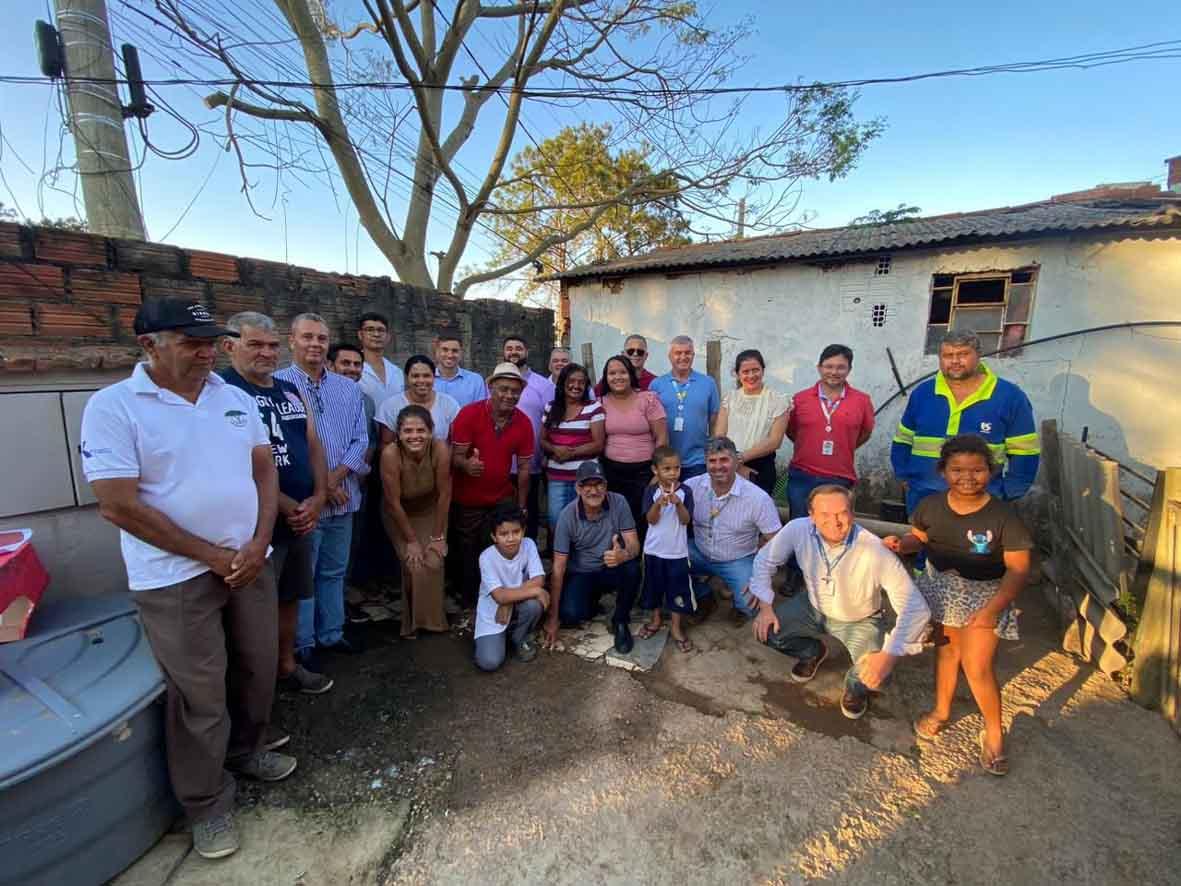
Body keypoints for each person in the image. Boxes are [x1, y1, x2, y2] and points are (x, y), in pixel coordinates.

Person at [80, 298, 292, 860]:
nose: (207, 352)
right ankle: (206, 804)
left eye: (210, 342)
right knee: (199, 692)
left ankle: (247, 751)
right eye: (191, 343)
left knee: (257, 664)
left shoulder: (232, 397)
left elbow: (263, 471)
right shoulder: (114, 407)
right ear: (149, 345)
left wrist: (257, 541)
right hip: (173, 575)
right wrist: (213, 556)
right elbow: (118, 506)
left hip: (248, 561)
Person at [883, 435, 1033, 775]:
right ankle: (941, 710)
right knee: (947, 652)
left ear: (991, 472)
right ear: (943, 471)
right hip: (942, 588)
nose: (968, 477)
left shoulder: (1003, 517)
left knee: (977, 667)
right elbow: (919, 539)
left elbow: (1019, 568)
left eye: (977, 470)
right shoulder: (932, 506)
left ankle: (994, 732)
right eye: (957, 470)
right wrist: (900, 545)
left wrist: (993, 609)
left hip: (986, 595)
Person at [221, 312, 333, 696]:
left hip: (300, 518)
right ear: (229, 345)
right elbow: (235, 464)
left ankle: (287, 665)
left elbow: (313, 444)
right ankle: (257, 694)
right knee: (253, 615)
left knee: (290, 598)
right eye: (254, 344)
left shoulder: (287, 391)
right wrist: (289, 505)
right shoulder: (222, 392)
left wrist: (318, 497)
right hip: (257, 527)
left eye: (271, 345)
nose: (266, 353)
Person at [749, 485, 931, 721]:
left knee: (876, 676)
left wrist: (888, 656)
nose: (834, 522)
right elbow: (765, 560)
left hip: (861, 618)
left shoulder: (874, 549)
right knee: (767, 631)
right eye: (824, 514)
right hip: (813, 606)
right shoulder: (797, 529)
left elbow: (915, 607)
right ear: (811, 516)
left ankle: (855, 690)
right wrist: (765, 607)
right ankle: (812, 652)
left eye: (842, 513)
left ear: (852, 515)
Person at [276, 313, 370, 663]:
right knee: (303, 577)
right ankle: (303, 645)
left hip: (344, 499)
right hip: (303, 504)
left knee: (333, 572)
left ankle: (332, 633)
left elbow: (361, 439)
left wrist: (332, 480)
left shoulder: (348, 388)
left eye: (321, 338)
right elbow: (281, 449)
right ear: (292, 340)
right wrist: (321, 488)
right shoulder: (277, 386)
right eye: (307, 337)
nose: (315, 344)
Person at [891, 330, 1040, 516]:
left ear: (978, 356)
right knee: (920, 544)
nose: (954, 361)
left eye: (963, 354)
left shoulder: (1009, 397)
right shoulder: (924, 393)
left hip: (982, 503)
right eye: (948, 355)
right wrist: (904, 477)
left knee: (976, 546)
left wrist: (1008, 492)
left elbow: (1025, 452)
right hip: (924, 499)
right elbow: (902, 440)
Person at [449, 362, 535, 606]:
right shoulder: (469, 414)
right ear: (491, 387)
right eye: (503, 389)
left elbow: (525, 468)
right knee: (468, 551)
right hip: (468, 499)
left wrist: (521, 506)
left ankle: (499, 596)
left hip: (501, 497)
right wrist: (467, 465)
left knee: (501, 550)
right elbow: (455, 456)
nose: (509, 395)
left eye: (515, 391)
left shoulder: (524, 422)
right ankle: (469, 600)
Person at [545, 460, 643, 653]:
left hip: (610, 566)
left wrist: (622, 555)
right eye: (586, 485)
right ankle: (591, 602)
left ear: (606, 486)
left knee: (632, 568)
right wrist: (552, 618)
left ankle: (621, 620)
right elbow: (558, 568)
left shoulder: (619, 502)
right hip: (582, 572)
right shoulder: (567, 516)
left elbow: (634, 544)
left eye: (598, 484)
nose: (593, 491)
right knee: (571, 614)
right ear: (577, 488)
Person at [685, 436, 782, 622]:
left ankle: (739, 603)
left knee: (749, 606)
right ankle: (704, 596)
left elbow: (776, 540)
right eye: (712, 461)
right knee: (666, 563)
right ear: (705, 462)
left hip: (737, 559)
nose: (718, 466)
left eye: (724, 460)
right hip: (699, 551)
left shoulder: (757, 498)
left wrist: (759, 574)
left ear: (737, 461)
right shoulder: (692, 486)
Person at [380, 404, 451, 639]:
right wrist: (410, 540)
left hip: (432, 510)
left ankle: (433, 621)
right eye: (407, 431)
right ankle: (411, 624)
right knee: (413, 563)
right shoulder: (390, 454)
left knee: (433, 560)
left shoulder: (440, 449)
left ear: (431, 431)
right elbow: (392, 502)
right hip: (400, 513)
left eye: (420, 430)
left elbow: (444, 495)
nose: (414, 436)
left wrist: (438, 537)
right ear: (398, 434)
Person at [786, 344, 875, 519]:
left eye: (841, 367)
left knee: (834, 530)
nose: (834, 372)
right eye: (829, 366)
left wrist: (844, 445)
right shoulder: (800, 399)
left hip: (839, 477)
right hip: (802, 476)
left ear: (849, 369)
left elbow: (865, 432)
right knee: (800, 528)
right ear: (819, 368)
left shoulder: (862, 401)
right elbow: (791, 431)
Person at [597, 354, 668, 540]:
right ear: (606, 377)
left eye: (622, 372)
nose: (617, 377)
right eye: (612, 373)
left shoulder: (648, 399)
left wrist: (657, 473)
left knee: (642, 518)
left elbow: (662, 438)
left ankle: (642, 562)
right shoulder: (600, 402)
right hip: (611, 471)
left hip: (644, 472)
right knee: (615, 518)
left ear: (631, 375)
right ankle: (620, 559)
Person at [473, 503, 550, 671]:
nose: (511, 538)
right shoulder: (486, 557)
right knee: (489, 662)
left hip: (514, 604)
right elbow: (499, 596)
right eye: (503, 534)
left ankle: (518, 638)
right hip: (493, 611)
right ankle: (502, 636)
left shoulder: (528, 545)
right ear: (494, 536)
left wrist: (508, 601)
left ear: (523, 531)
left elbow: (539, 579)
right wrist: (534, 591)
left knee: (533, 606)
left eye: (516, 532)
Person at [636, 447, 696, 653]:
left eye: (676, 468)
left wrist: (679, 504)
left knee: (677, 590)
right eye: (667, 468)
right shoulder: (651, 492)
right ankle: (655, 620)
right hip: (653, 550)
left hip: (677, 552)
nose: (673, 473)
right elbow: (650, 520)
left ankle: (676, 627)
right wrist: (658, 505)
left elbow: (686, 521)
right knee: (653, 587)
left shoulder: (685, 491)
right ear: (655, 470)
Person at [540, 362, 605, 539]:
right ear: (562, 383)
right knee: (556, 521)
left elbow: (598, 444)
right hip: (557, 476)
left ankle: (580, 564)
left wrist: (570, 452)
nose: (576, 386)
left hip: (586, 478)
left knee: (584, 522)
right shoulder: (551, 407)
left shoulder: (594, 408)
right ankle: (560, 561)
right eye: (571, 381)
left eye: (581, 382)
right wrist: (554, 449)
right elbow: (543, 440)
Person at [713, 348, 790, 496]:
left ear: (763, 370)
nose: (751, 375)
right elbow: (720, 437)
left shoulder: (778, 400)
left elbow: (775, 441)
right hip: (728, 465)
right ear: (737, 374)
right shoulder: (730, 399)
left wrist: (740, 459)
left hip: (760, 467)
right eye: (745, 372)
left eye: (756, 370)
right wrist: (735, 465)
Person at [502, 334, 555, 541]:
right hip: (501, 463)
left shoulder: (542, 385)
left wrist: (546, 452)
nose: (513, 352)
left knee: (529, 514)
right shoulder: (495, 383)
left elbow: (551, 421)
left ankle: (529, 555)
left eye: (518, 348)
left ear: (526, 352)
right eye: (509, 348)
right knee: (503, 515)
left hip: (531, 462)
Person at [651, 335, 720, 480]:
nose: (683, 357)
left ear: (693, 355)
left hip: (698, 460)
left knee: (696, 501)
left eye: (688, 353)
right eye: (678, 353)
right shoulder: (656, 385)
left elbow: (714, 422)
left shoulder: (708, 383)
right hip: (666, 461)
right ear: (670, 356)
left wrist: (712, 454)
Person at [376, 354, 461, 446]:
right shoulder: (390, 406)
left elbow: (454, 443)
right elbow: (387, 445)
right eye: (415, 376)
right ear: (406, 377)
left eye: (426, 376)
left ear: (434, 377)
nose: (421, 380)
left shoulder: (449, 404)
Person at [356, 311, 404, 407]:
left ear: (388, 337)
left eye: (381, 330)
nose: (376, 334)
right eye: (370, 329)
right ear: (360, 335)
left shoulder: (397, 372)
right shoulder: (352, 368)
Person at [433, 332, 487, 408]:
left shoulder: (475, 381)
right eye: (445, 350)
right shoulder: (426, 380)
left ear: (461, 353)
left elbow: (480, 412)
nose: (450, 355)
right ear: (437, 351)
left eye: (454, 351)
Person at [593, 333, 657, 396]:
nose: (635, 354)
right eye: (630, 351)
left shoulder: (655, 382)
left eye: (640, 352)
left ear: (646, 356)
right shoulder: (611, 380)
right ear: (623, 354)